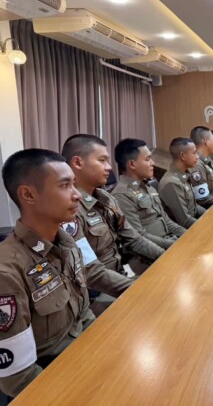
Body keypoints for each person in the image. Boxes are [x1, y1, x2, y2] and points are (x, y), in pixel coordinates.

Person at [0, 149, 132, 397]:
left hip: (88, 356)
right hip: (56, 381)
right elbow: (19, 381)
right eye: (64, 186)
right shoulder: (7, 271)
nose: (76, 195)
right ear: (28, 194)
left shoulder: (69, 240)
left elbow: (85, 311)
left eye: (74, 184)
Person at [61, 134, 164, 275]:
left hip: (121, 274)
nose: (109, 167)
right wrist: (131, 285)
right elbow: (91, 272)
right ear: (78, 163)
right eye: (102, 160)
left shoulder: (107, 198)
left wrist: (166, 256)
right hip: (101, 285)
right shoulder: (70, 209)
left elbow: (134, 239)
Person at [112, 138, 186, 250]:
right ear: (132, 164)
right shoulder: (122, 195)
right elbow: (139, 237)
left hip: (169, 243)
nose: (153, 163)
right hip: (152, 253)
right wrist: (175, 246)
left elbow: (166, 221)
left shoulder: (149, 187)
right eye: (148, 159)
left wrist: (188, 235)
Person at [158, 137, 207, 229]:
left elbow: (194, 208)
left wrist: (211, 215)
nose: (197, 156)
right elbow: (185, 221)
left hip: (195, 223)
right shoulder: (171, 183)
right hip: (185, 231)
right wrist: (208, 225)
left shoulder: (184, 174)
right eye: (194, 153)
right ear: (183, 156)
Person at [190, 126, 213, 207]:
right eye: (212, 140)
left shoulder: (207, 160)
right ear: (206, 141)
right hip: (211, 209)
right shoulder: (197, 164)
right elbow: (203, 198)